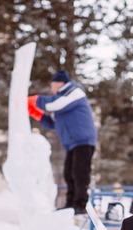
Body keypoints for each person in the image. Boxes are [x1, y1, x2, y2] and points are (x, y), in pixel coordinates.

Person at [27, 70, 97, 216]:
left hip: (83, 140)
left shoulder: (74, 92)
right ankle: (71, 204)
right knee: (68, 173)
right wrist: (36, 113)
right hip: (71, 143)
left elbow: (55, 105)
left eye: (53, 85)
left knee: (80, 173)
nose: (51, 89)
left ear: (60, 83)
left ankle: (80, 205)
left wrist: (35, 100)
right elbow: (52, 122)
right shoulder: (60, 100)